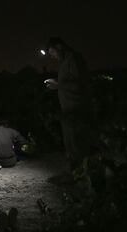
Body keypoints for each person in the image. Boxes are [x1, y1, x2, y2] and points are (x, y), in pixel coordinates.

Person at [44, 37, 92, 174]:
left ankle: (83, 175)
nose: (53, 57)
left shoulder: (74, 59)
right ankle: (76, 173)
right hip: (68, 109)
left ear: (59, 46)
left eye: (52, 52)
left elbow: (81, 83)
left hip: (77, 109)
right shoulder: (65, 61)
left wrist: (58, 85)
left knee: (78, 144)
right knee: (71, 144)